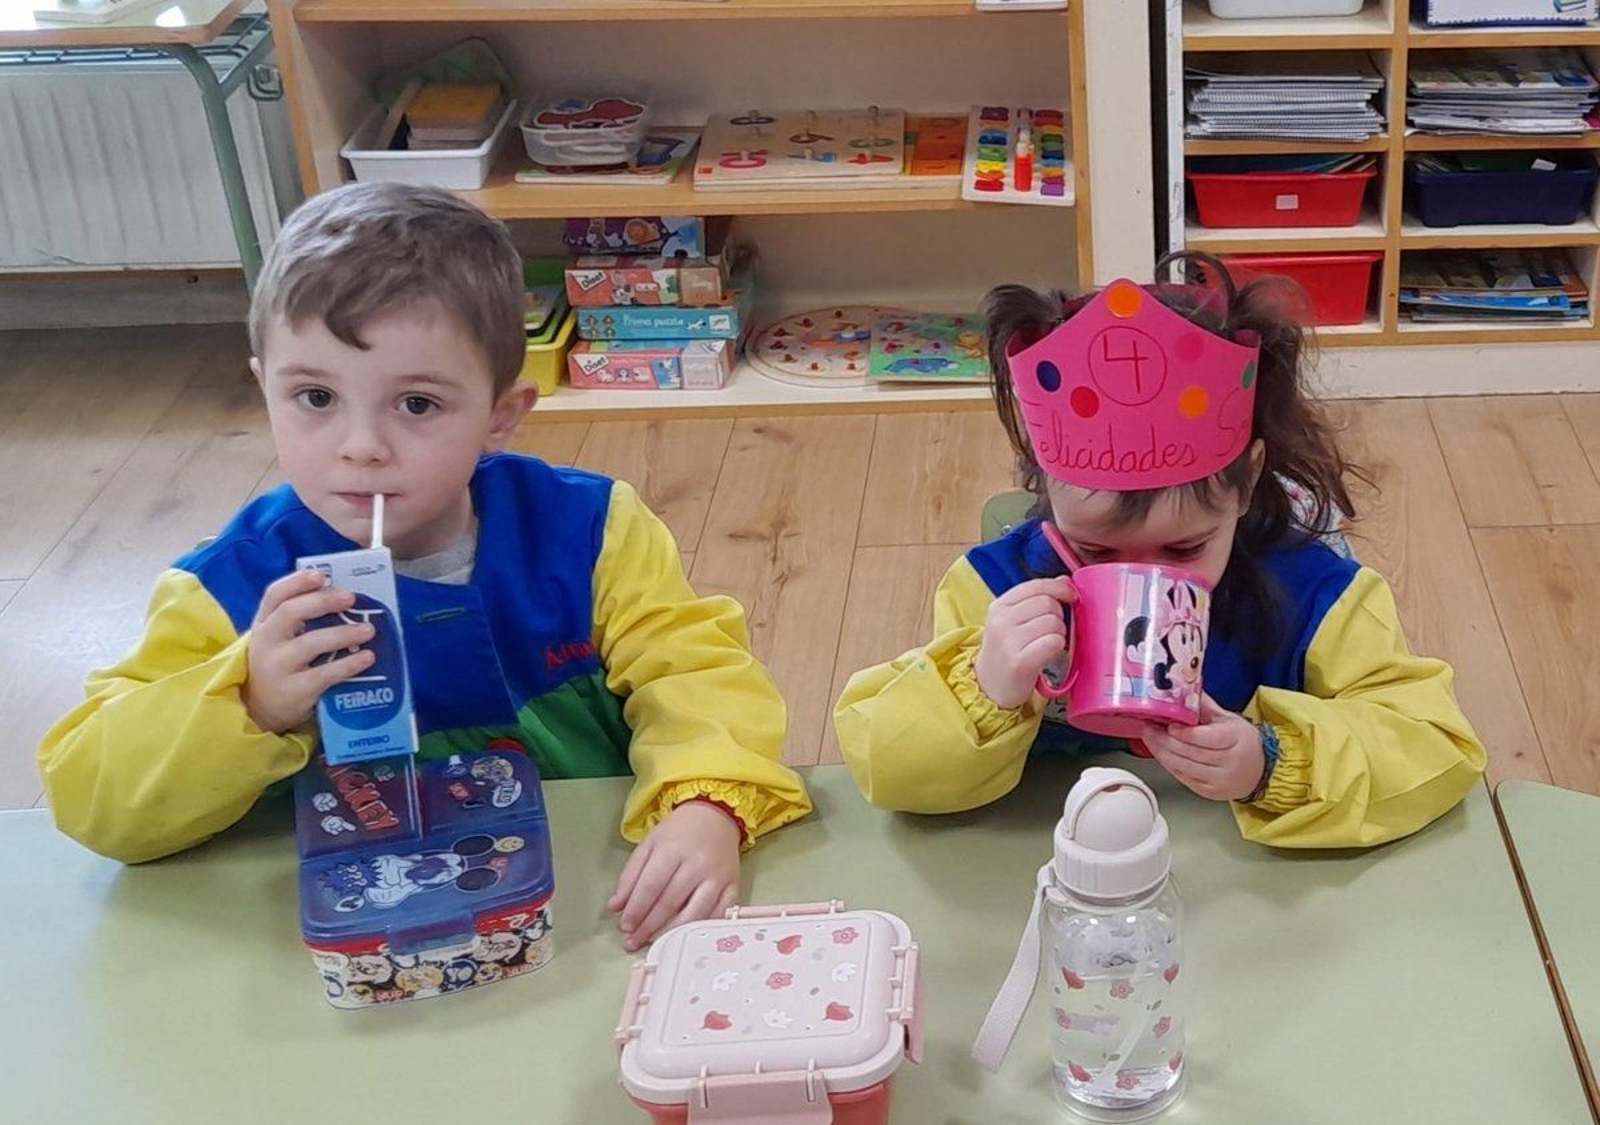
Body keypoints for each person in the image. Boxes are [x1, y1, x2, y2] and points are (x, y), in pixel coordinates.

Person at [39, 182, 811, 948]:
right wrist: (248, 700)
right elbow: (94, 799)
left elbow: (699, 675)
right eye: (314, 397)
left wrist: (704, 806)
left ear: (500, 416)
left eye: (416, 405)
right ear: (263, 389)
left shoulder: (590, 531)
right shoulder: (226, 590)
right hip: (351, 938)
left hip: (591, 907)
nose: (360, 444)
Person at [834, 256, 1485, 847]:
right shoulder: (998, 589)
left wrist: (1272, 763)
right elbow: (886, 769)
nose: (1142, 575)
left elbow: (1437, 746)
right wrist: (981, 689)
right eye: (1095, 549)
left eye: (1183, 546)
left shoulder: (1318, 596)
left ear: (1247, 483)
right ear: (1042, 483)